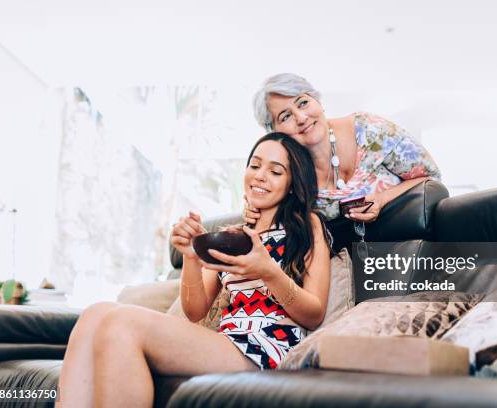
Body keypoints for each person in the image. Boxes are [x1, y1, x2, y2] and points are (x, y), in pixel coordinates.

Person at [57, 132, 331, 407]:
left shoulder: (307, 226)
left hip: (265, 351)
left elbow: (314, 313)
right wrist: (191, 256)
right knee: (95, 315)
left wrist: (268, 271)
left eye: (275, 171)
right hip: (227, 342)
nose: (260, 176)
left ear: (292, 184)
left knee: (122, 323)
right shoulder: (232, 236)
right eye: (255, 165)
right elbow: (195, 310)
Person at [246, 73, 441, 250]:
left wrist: (382, 200)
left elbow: (431, 177)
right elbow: (271, 210)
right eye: (286, 116)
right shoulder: (286, 169)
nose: (301, 118)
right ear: (275, 132)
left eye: (303, 103)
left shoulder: (370, 130)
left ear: (317, 101)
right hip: (345, 271)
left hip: (409, 252)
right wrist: (253, 209)